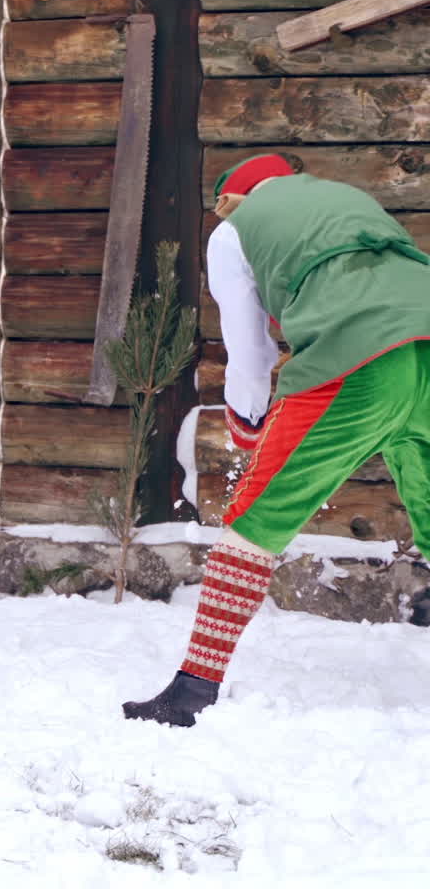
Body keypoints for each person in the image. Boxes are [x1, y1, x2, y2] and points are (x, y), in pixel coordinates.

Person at [124, 153, 430, 727]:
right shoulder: (345, 201)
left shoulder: (234, 230)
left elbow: (251, 355)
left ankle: (192, 691)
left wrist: (246, 422)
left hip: (358, 355)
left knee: (255, 520)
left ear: (231, 201)